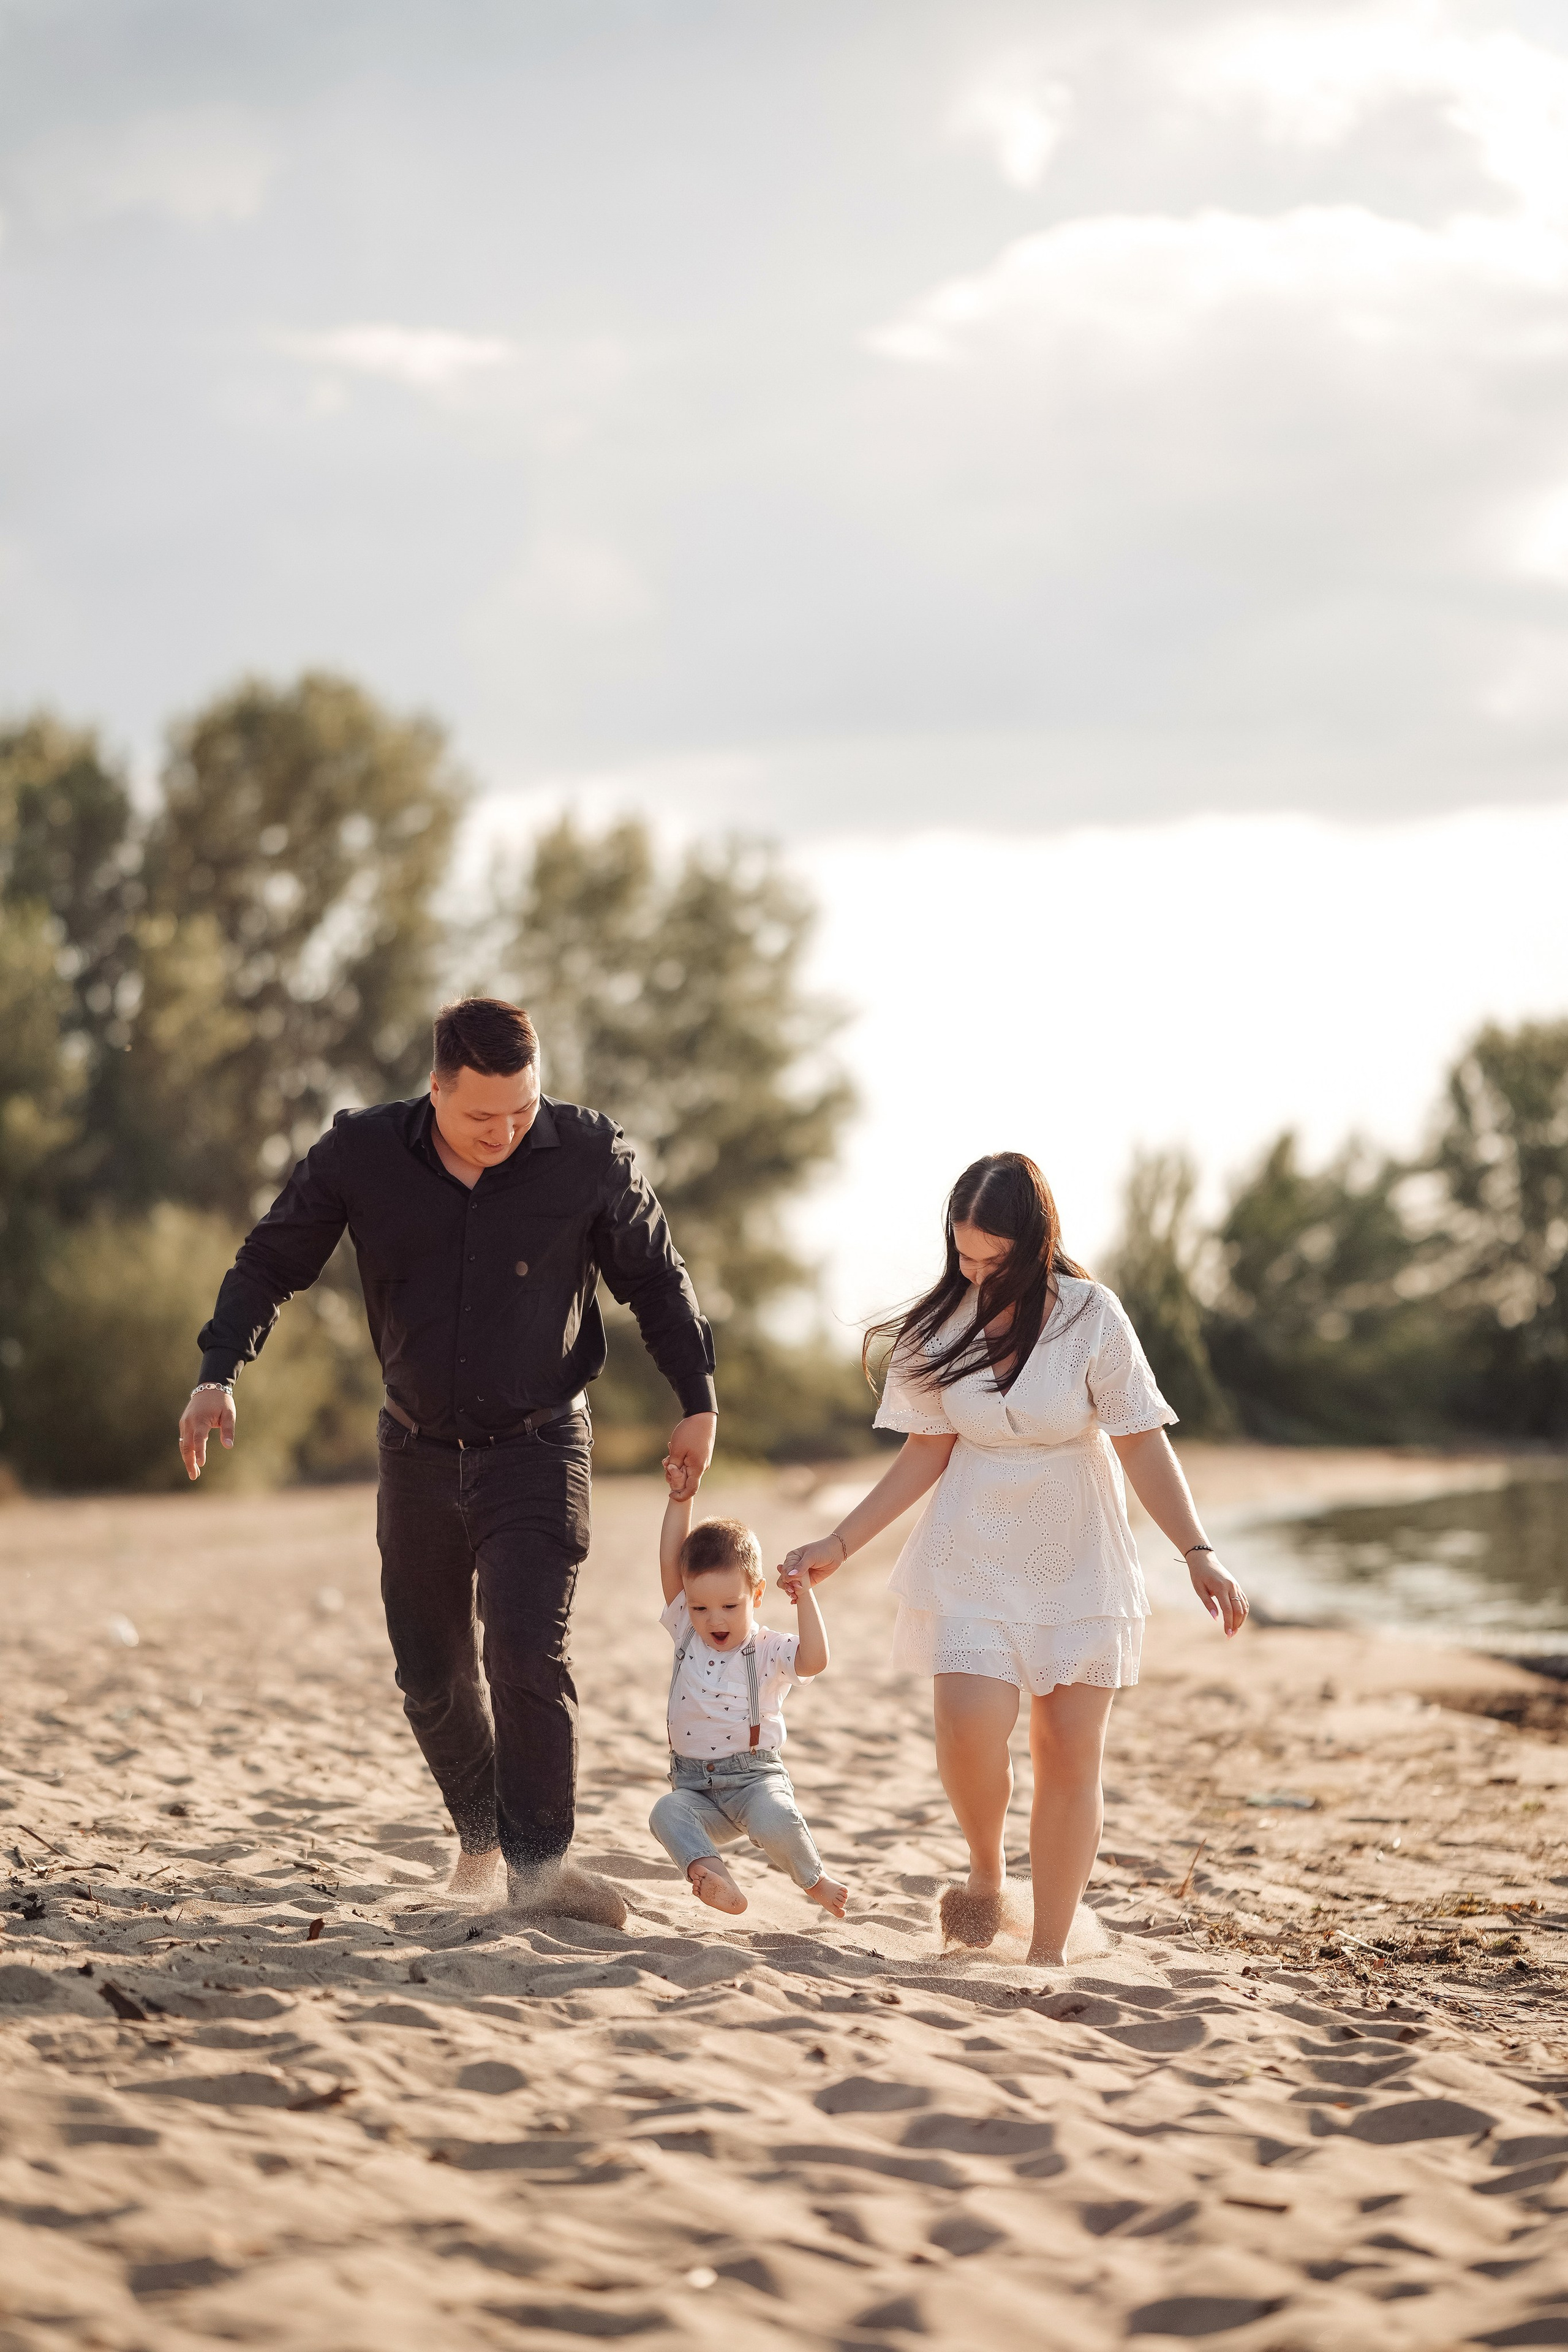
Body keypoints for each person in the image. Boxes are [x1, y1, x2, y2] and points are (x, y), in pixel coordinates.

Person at [177, 995, 718, 1926]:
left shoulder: (587, 1154)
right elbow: (270, 1262)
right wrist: (218, 1372)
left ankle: (541, 1870)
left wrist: (697, 1398)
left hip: (541, 1446)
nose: (506, 1131)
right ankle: (482, 1834)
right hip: (416, 1451)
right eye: (481, 1115)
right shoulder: (361, 1154)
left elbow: (657, 1281)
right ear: (434, 1089)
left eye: (523, 1109)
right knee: (429, 1674)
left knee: (524, 1649)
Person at [777, 1151, 1246, 1968]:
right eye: (965, 1254)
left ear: (1035, 1243)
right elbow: (926, 1454)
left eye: (995, 1259)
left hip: (1079, 1546)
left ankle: (1049, 1951)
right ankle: (987, 1867)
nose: (978, 1271)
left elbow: (1141, 1440)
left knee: (1068, 1748)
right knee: (967, 1727)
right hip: (971, 1545)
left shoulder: (1090, 1315)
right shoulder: (939, 1325)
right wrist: (839, 1545)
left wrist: (1197, 1553)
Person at [650, 1459, 847, 1919]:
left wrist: (806, 1597)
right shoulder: (685, 1631)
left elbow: (815, 1660)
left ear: (757, 1595)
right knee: (665, 1813)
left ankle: (813, 1879)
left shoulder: (768, 1648)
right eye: (699, 1607)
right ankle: (715, 1876)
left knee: (778, 1820)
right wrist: (681, 1499)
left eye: (729, 1606)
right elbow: (669, 1561)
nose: (713, 1619)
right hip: (695, 1785)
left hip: (754, 1781)